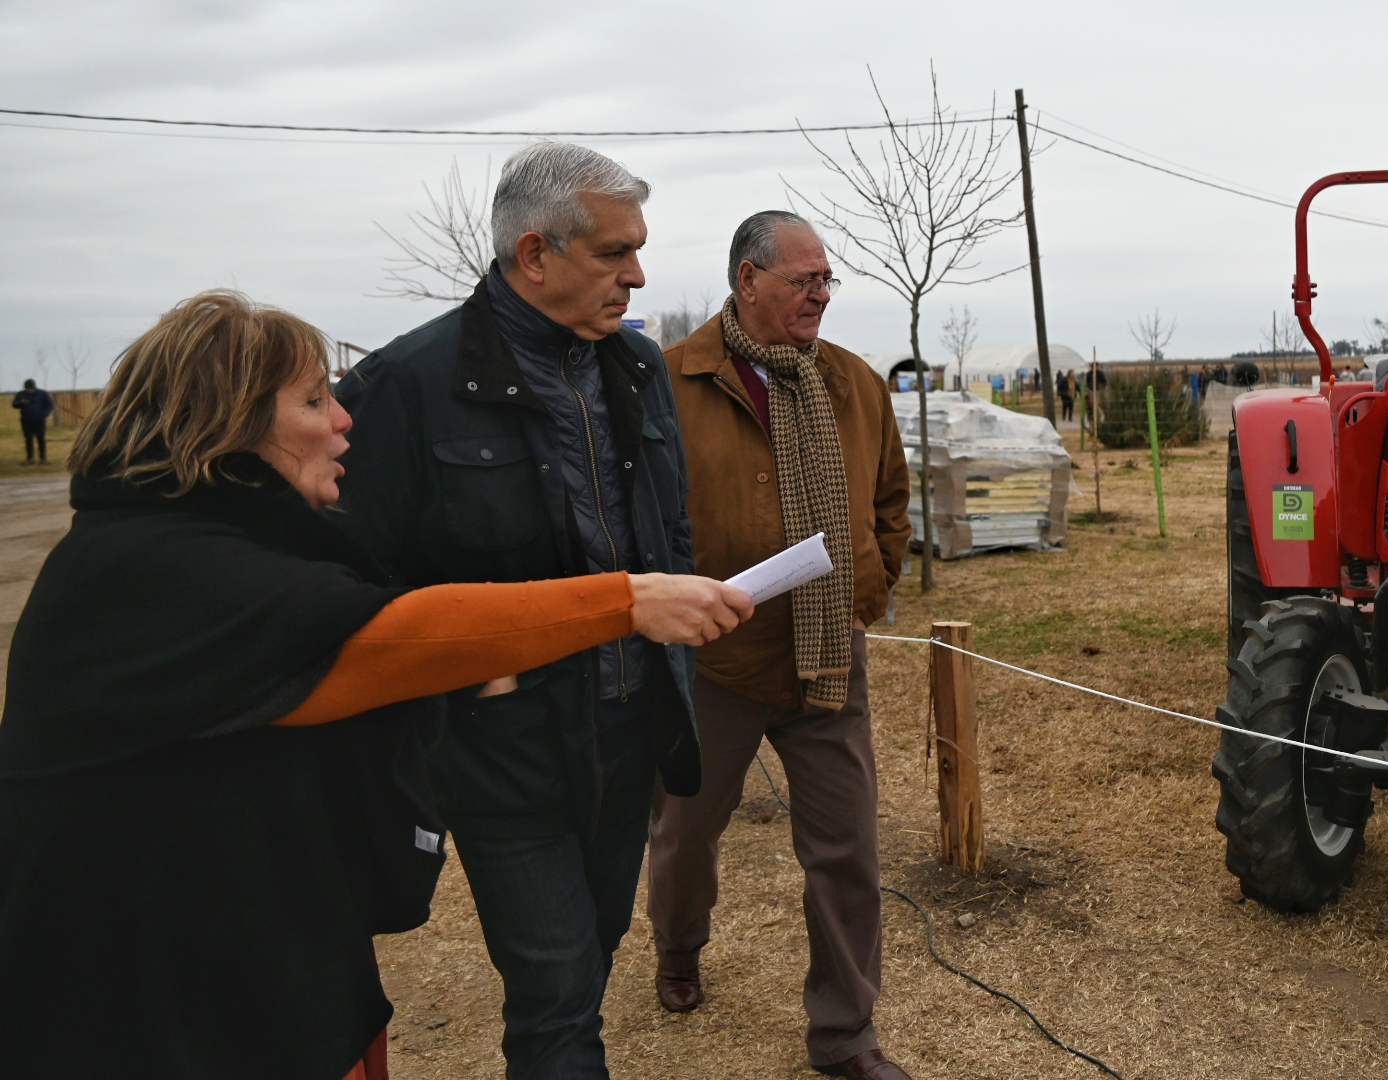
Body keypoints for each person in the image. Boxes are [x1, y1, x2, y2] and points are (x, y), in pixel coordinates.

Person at [0, 291, 751, 1080]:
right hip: (145, 1011)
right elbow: (386, 639)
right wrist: (626, 601)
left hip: (245, 967)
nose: (344, 419)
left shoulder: (214, 543)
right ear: (231, 423)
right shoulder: (153, 571)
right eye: (316, 399)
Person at [331, 141, 725, 1078]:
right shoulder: (405, 386)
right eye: (613, 253)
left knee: (592, 959)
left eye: (638, 250)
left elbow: (666, 527)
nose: (637, 275)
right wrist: (454, 670)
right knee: (554, 996)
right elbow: (349, 579)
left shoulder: (635, 365)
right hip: (503, 749)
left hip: (631, 734)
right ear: (534, 254)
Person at [650, 210, 913, 1080]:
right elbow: (643, 515)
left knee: (848, 852)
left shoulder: (855, 384)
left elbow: (889, 504)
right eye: (804, 280)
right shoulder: (670, 382)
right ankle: (678, 945)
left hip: (829, 656)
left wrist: (866, 591)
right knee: (687, 834)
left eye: (827, 280)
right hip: (715, 661)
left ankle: (845, 1035)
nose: (821, 295)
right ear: (747, 280)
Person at [12, 377, 53, 463]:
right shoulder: (21, 394)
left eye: (31, 388)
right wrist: (21, 403)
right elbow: (14, 405)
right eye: (28, 388)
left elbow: (49, 405)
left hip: (39, 421)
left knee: (41, 439)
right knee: (28, 439)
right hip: (26, 421)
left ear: (34, 387)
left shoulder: (42, 394)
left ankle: (43, 458)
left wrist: (44, 414)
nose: (30, 390)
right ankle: (30, 458)